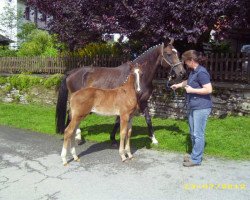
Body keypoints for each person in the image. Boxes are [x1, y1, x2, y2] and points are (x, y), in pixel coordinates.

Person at [171, 50, 212, 167]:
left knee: (198, 134)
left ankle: (196, 159)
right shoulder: (193, 71)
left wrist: (192, 90)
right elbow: (188, 81)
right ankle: (194, 154)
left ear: (192, 61)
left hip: (201, 107)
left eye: (185, 61)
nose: (184, 63)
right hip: (193, 106)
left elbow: (209, 89)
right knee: (193, 133)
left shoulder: (202, 72)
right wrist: (178, 85)